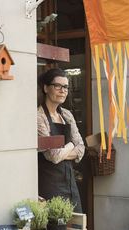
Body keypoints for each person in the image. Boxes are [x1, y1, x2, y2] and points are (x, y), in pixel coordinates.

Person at [37, 68, 85, 213]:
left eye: (65, 87)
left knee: (77, 227)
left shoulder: (67, 115)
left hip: (70, 184)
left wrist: (65, 149)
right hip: (50, 186)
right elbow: (54, 156)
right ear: (46, 88)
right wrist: (71, 144)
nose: (63, 90)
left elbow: (82, 148)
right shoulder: (39, 117)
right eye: (57, 86)